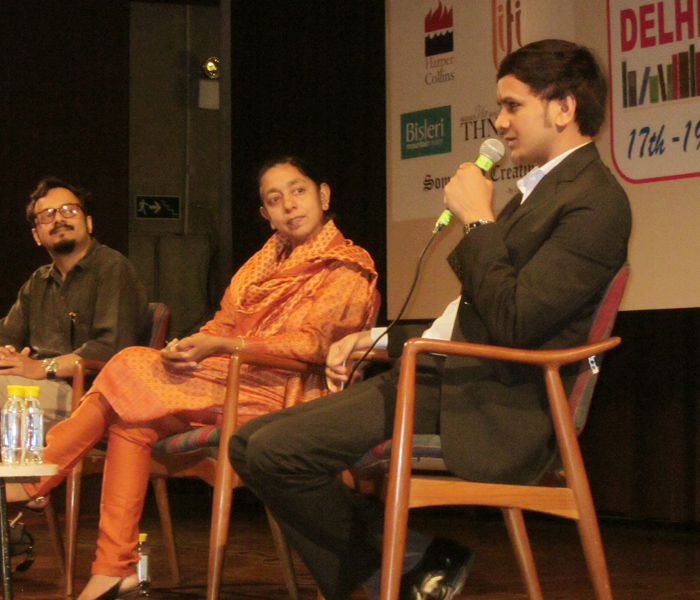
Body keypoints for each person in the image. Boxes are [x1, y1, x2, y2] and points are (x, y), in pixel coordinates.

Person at [228, 39, 632, 600]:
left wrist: (479, 221)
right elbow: (471, 317)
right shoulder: (540, 192)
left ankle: (385, 575)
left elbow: (516, 321)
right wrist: (376, 339)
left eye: (513, 106)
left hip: (493, 399)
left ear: (563, 108)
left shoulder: (596, 202)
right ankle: (410, 563)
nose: (499, 121)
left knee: (276, 453)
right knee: (247, 445)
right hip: (441, 375)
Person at [7, 157, 378, 600]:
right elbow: (224, 323)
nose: (288, 206)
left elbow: (315, 347)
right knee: (133, 421)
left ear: (323, 195)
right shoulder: (261, 263)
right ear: (264, 214)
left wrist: (224, 348)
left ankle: (33, 480)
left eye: (297, 192)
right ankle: (114, 568)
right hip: (229, 381)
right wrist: (191, 347)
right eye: (274, 200)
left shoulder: (347, 265)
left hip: (293, 396)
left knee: (126, 364)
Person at [0, 177, 147, 430]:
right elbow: (5, 336)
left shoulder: (112, 267)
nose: (58, 219)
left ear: (88, 223)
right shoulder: (38, 281)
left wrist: (40, 367)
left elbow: (111, 349)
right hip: (39, 389)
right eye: (47, 216)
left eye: (69, 210)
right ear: (36, 235)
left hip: (91, 396)